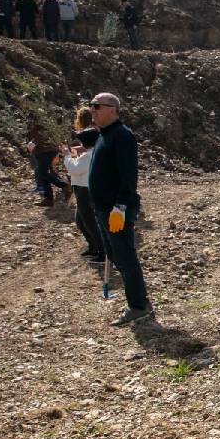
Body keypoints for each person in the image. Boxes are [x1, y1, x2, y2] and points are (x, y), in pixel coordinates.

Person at [87, 92, 152, 326]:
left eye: (97, 106)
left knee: (125, 257)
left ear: (112, 109)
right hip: (103, 207)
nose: (92, 110)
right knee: (115, 254)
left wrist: (121, 206)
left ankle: (138, 305)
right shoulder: (105, 135)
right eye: (91, 106)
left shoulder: (122, 136)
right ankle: (139, 300)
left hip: (115, 209)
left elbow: (128, 174)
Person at [64, 107, 104, 263]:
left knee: (88, 222)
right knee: (82, 221)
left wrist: (67, 156)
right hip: (84, 188)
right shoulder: (93, 152)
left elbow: (73, 169)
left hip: (84, 189)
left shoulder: (88, 156)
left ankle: (101, 252)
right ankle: (93, 247)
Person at [26, 122, 68, 207]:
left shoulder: (38, 120)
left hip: (45, 151)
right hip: (43, 151)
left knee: (43, 173)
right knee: (43, 173)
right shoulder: (39, 121)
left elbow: (42, 136)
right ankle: (49, 198)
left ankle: (65, 186)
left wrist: (33, 143)